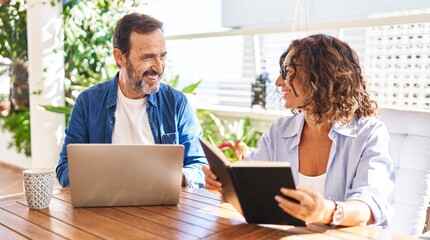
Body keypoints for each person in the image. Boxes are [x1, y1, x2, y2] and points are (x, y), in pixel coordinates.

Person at [203, 34, 395, 227]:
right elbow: (248, 184)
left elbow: (371, 207)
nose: (278, 81)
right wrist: (225, 185)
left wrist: (328, 212)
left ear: (320, 75)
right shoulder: (279, 131)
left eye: (287, 71)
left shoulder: (369, 133)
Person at [56, 13, 208, 188]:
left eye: (162, 56)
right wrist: (107, 178)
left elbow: (199, 167)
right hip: (104, 209)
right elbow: (65, 170)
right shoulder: (88, 102)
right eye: (148, 57)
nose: (159, 67)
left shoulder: (176, 103)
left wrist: (175, 178)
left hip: (163, 210)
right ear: (119, 57)